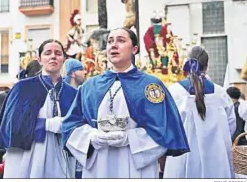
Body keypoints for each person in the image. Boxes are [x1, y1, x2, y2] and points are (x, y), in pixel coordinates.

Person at [62, 28, 189, 179]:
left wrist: (131, 138)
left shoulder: (151, 86)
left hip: (136, 165)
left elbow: (166, 129)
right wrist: (91, 137)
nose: (113, 45)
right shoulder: (90, 86)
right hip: (99, 164)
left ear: (134, 49)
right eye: (110, 41)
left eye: (121, 40)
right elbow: (71, 126)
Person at [0, 39, 78, 178]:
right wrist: (46, 124)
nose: (53, 56)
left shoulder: (73, 93)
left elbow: (79, 126)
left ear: (63, 59)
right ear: (40, 59)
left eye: (58, 53)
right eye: (48, 53)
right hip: (28, 159)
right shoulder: (23, 88)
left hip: (62, 161)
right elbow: (11, 126)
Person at [163, 46, 236, 178]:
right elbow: (231, 126)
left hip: (182, 158)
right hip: (217, 158)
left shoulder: (174, 91)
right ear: (207, 66)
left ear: (187, 63)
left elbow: (166, 126)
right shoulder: (220, 93)